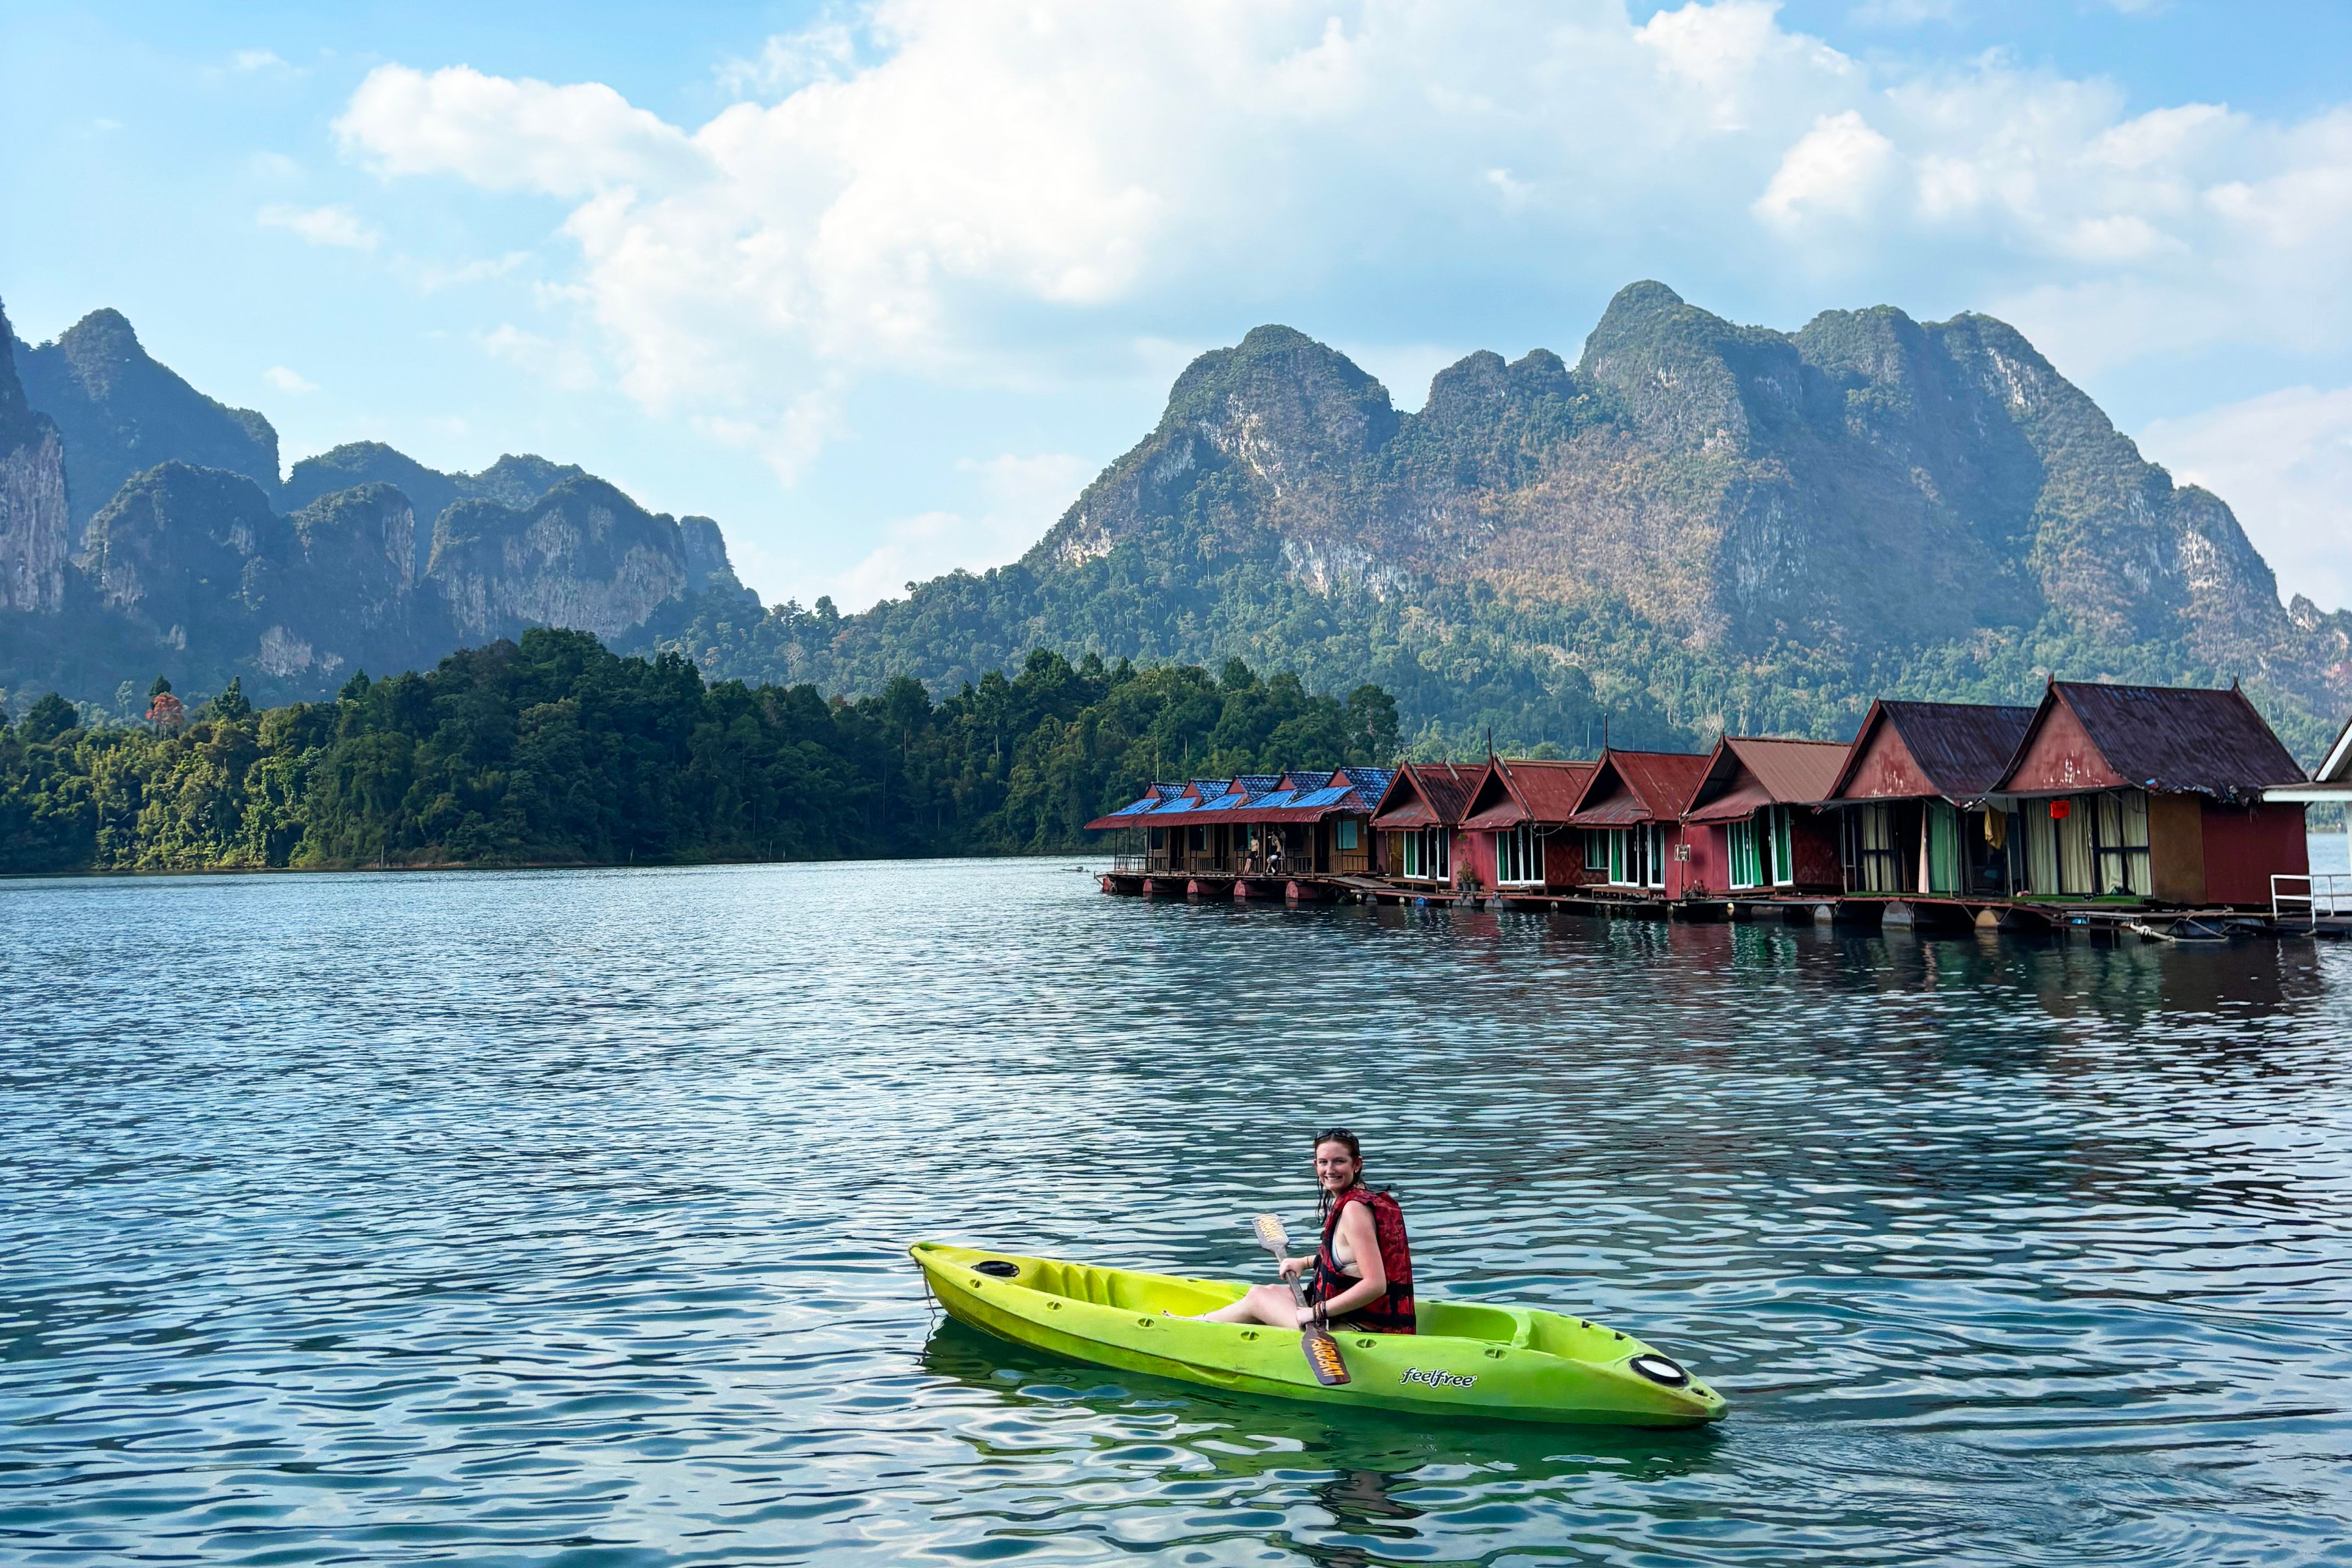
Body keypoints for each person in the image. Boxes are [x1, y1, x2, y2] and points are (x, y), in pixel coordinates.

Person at [1196, 1128, 1415, 1333]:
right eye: (1323, 1162)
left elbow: (1376, 1285)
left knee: (1258, 1298)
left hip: (1358, 1329)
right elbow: (1352, 1261)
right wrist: (1305, 1262)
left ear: (1357, 1164)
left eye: (1339, 1161)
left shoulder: (1354, 1211)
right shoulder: (1363, 1198)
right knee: (1270, 1291)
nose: (1330, 1170)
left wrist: (1316, 1312)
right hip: (1356, 1319)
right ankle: (1199, 1323)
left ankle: (1193, 1328)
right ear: (1315, 1165)